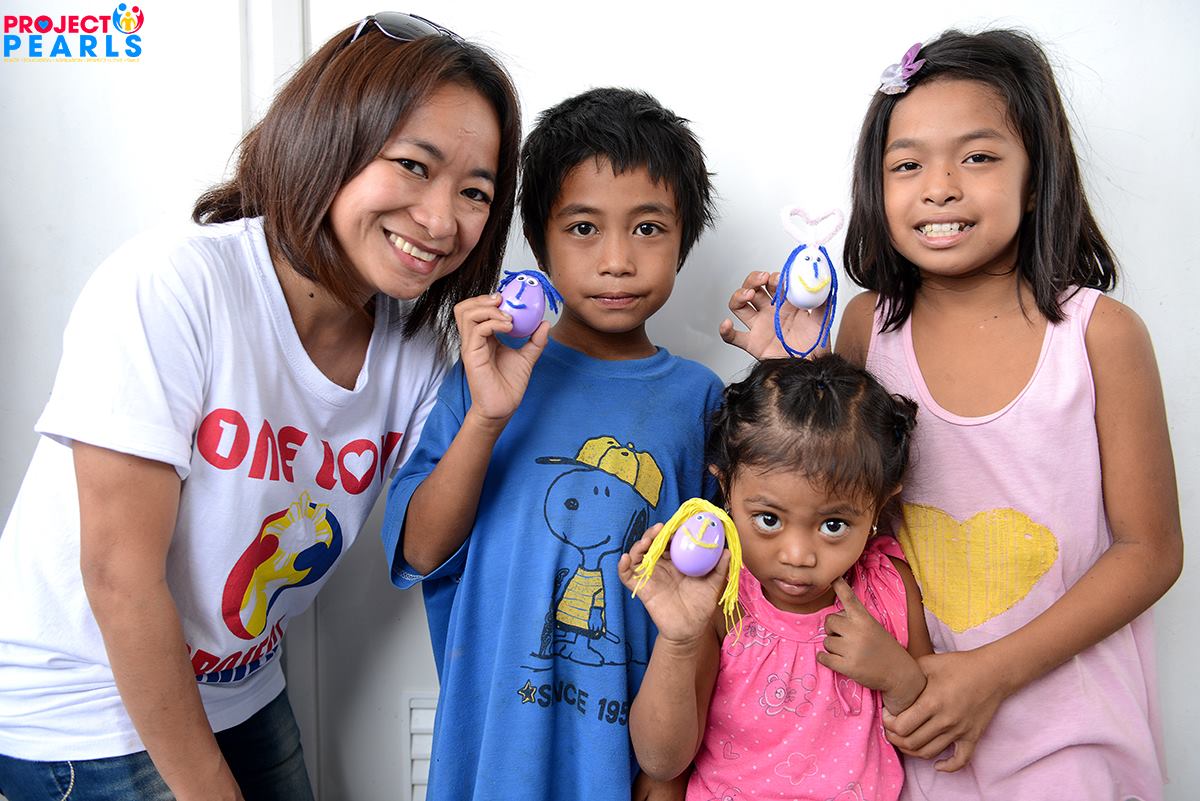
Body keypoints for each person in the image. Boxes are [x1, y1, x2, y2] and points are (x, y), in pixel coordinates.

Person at [0, 13, 521, 801]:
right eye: (414, 166)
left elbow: (419, 547)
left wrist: (484, 415)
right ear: (330, 140)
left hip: (240, 687)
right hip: (82, 707)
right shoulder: (176, 286)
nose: (443, 219)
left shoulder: (415, 347)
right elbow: (118, 576)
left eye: (475, 192)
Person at [723, 29, 1182, 801]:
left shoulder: (1100, 336)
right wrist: (788, 367)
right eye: (907, 165)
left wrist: (988, 674)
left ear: (1036, 179)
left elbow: (1151, 551)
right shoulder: (867, 327)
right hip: (903, 735)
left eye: (977, 157)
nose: (939, 188)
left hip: (1068, 736)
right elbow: (833, 487)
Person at [382, 88, 722, 801]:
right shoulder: (484, 375)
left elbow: (710, 607)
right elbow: (421, 552)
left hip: (625, 756)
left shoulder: (699, 402)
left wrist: (668, 776)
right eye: (584, 228)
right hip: (494, 751)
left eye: (649, 228)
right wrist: (487, 416)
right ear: (539, 241)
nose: (617, 260)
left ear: (684, 239)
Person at [618, 355, 933, 801]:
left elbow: (929, 738)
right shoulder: (720, 599)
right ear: (725, 488)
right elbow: (662, 761)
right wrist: (679, 641)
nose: (797, 556)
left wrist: (898, 677)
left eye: (834, 525)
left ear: (880, 504)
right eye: (769, 519)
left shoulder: (888, 587)